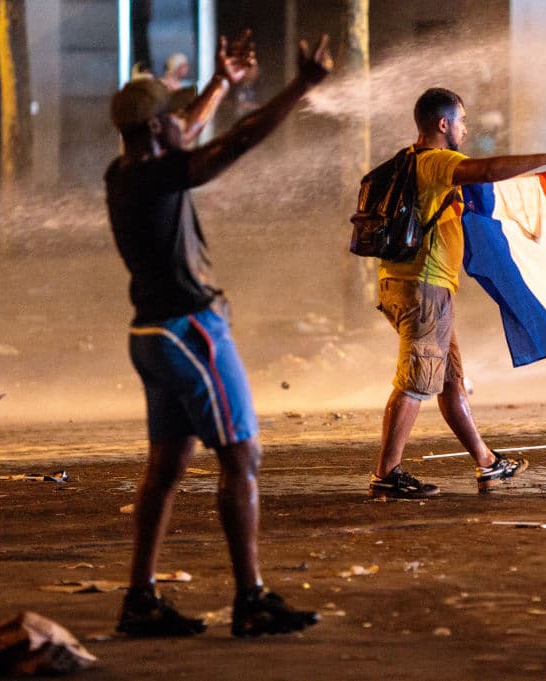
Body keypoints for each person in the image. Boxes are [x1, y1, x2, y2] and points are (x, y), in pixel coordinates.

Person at [105, 32, 332, 638]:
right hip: (190, 332)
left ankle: (141, 599)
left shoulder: (123, 172)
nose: (187, 118)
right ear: (156, 130)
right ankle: (251, 599)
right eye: (174, 114)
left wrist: (220, 84)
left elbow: (187, 129)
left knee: (167, 466)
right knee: (241, 455)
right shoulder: (160, 178)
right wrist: (301, 87)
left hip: (151, 335)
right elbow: (238, 138)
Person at [368, 87, 546, 499]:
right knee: (416, 380)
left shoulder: (406, 161)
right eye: (461, 120)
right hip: (423, 288)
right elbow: (487, 170)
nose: (465, 127)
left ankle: (487, 463)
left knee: (449, 381)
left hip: (406, 283)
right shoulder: (437, 161)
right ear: (443, 124)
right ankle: (386, 474)